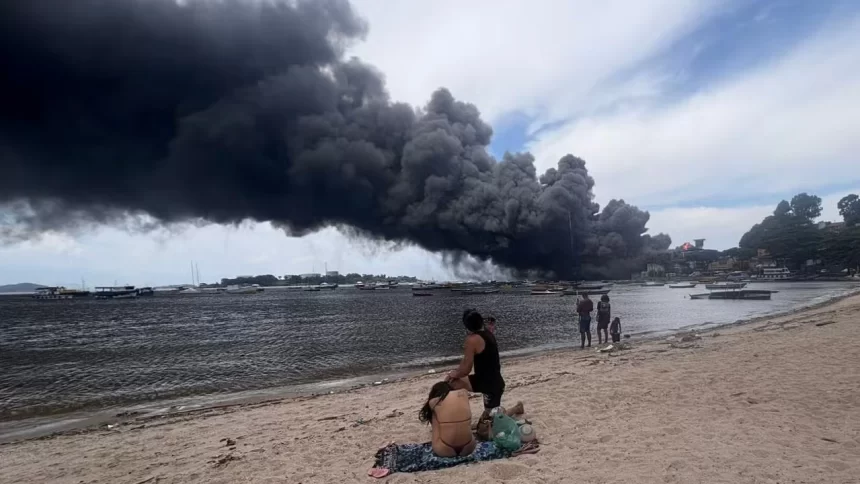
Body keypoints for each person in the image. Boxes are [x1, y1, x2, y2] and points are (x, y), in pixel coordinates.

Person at [446, 310, 505, 421]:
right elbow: (464, 363)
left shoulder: (472, 340)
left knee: (489, 424)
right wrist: (455, 372)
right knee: (490, 417)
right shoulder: (487, 333)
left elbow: (466, 370)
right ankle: (456, 419)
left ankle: (456, 418)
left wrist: (455, 373)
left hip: (489, 385)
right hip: (491, 381)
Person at [419, 381, 477, 457]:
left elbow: (432, 423)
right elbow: (464, 385)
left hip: (444, 449)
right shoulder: (464, 395)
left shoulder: (433, 402)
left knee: (436, 416)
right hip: (469, 446)